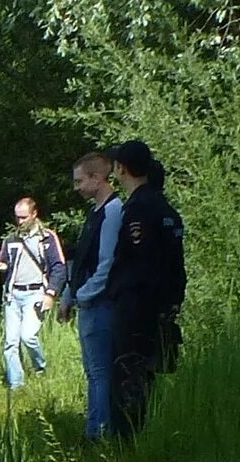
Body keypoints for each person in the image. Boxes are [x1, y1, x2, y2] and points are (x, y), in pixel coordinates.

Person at [99, 139, 187, 442]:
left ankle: (125, 442)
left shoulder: (138, 210)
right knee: (145, 373)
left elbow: (140, 263)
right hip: (161, 306)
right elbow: (176, 266)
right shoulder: (167, 210)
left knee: (127, 372)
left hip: (136, 305)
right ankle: (141, 434)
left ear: (122, 169)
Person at [62, 149, 122, 438]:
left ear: (98, 178)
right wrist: (68, 295)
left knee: (100, 373)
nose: (77, 188)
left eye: (80, 181)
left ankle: (99, 432)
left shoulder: (113, 212)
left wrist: (83, 295)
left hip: (100, 305)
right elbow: (83, 260)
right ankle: (95, 428)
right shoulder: (95, 213)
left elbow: (106, 264)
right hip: (88, 303)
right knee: (93, 371)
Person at [0, 194, 66, 389]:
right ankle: (16, 385)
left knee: (28, 337)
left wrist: (51, 293)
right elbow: (3, 260)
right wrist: (1, 266)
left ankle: (40, 368)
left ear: (34, 214)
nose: (20, 221)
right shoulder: (11, 239)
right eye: (17, 217)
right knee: (10, 343)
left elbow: (59, 267)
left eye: (24, 217)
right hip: (13, 296)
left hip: (36, 294)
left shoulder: (47, 238)